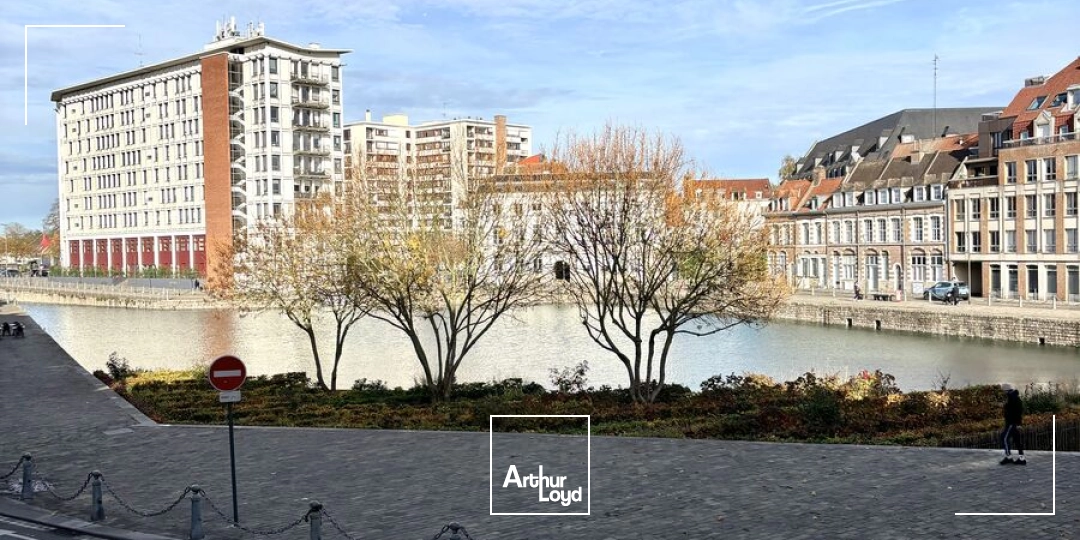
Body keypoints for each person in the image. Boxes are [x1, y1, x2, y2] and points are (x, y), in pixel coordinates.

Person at [1000, 383, 1026, 465]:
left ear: (1006, 391)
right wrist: (1019, 423)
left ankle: (1009, 457)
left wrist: (1017, 423)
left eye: (1003, 391)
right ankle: (1022, 459)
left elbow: (1014, 412)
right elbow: (1019, 411)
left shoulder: (1011, 398)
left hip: (1011, 423)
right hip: (1015, 423)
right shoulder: (1015, 397)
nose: (1003, 393)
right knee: (1017, 440)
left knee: (1004, 438)